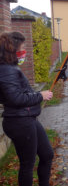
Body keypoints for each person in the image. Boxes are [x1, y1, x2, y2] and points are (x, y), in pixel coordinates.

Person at [0, 32, 54, 186]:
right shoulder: (6, 70)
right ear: (13, 49)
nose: (24, 51)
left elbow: (19, 93)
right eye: (22, 47)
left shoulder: (10, 68)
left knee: (47, 154)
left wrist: (36, 95)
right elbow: (15, 98)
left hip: (26, 118)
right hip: (19, 122)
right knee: (27, 165)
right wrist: (40, 96)